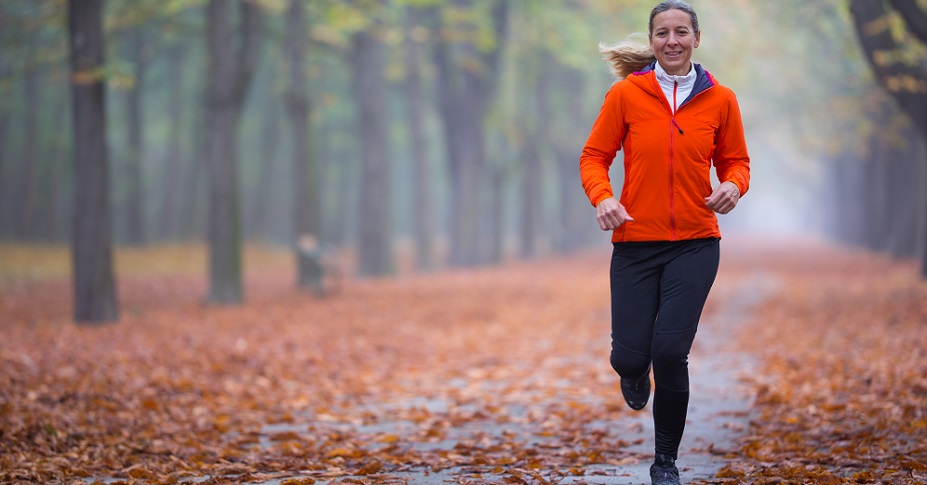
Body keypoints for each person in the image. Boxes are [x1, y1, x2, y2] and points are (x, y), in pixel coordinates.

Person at [578, 1, 750, 484]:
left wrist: (733, 186)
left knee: (671, 352)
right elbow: (594, 156)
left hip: (696, 242)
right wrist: (603, 198)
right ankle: (633, 374)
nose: (671, 41)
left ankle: (665, 461)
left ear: (697, 38)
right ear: (651, 41)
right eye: (661, 33)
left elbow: (737, 162)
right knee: (630, 357)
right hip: (634, 241)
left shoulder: (722, 100)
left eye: (680, 32)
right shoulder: (626, 95)